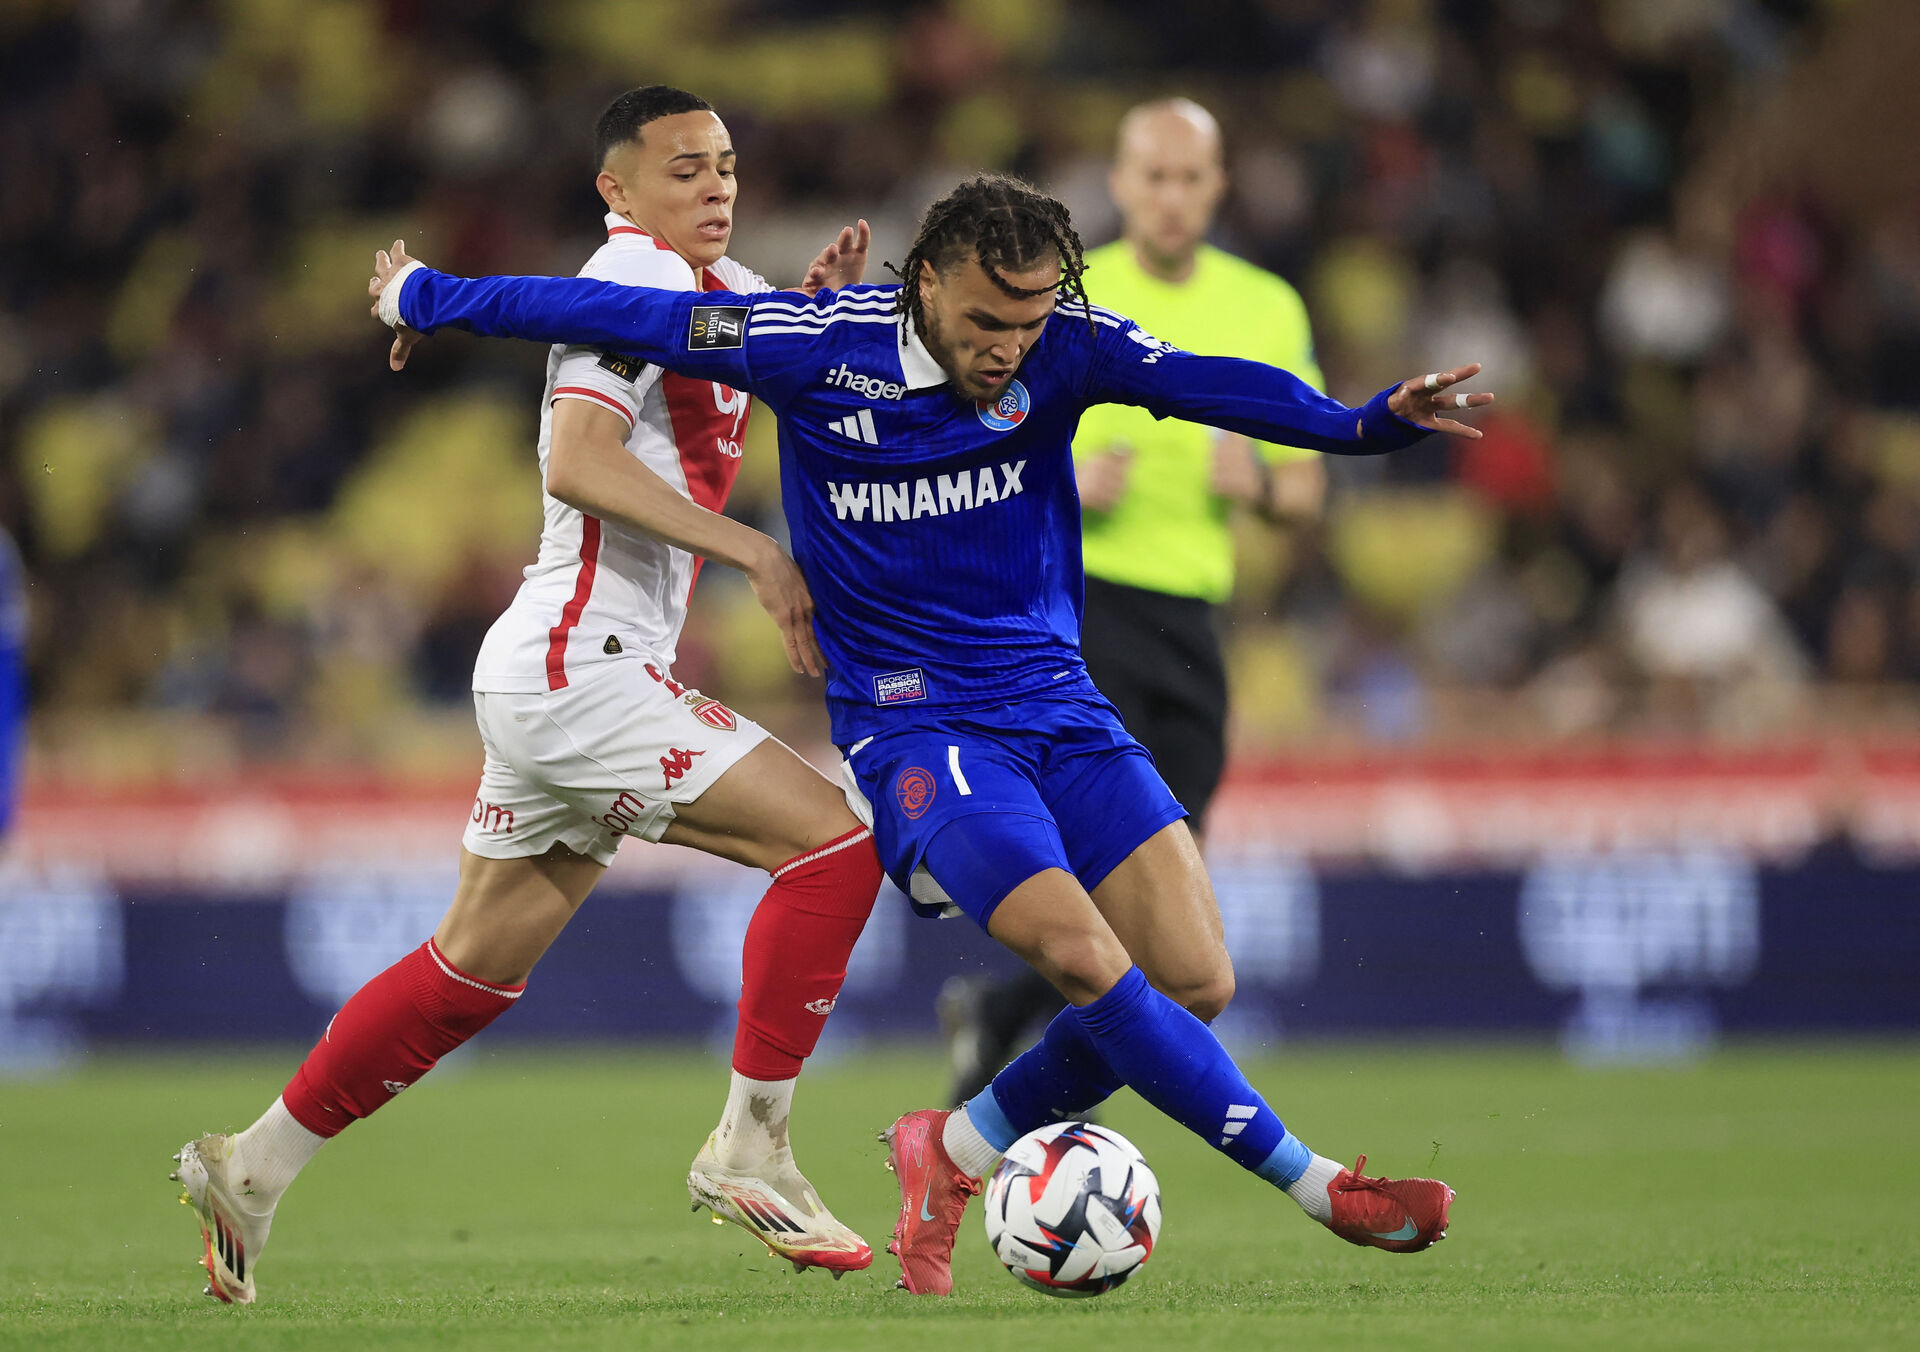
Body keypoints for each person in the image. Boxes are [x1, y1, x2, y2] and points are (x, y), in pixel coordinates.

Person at [366, 172, 1490, 1296]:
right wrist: (425, 294)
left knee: (1194, 980)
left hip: (1058, 701)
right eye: (985, 322)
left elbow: (1208, 384)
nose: (1009, 347)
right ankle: (1323, 1185)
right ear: (925, 283)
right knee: (1087, 958)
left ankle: (952, 1147)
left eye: (1032, 321)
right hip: (919, 722)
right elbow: (603, 315)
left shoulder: (1069, 346)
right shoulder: (810, 345)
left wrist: (1360, 424)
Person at [172, 87, 890, 1306]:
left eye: (724, 165)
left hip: (562, 668)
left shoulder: (718, 291)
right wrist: (753, 551)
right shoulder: (625, 278)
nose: (715, 186)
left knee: (469, 973)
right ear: (617, 190)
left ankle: (254, 1164)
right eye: (682, 169)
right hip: (580, 666)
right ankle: (750, 1145)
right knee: (834, 848)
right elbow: (577, 458)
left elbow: (738, 378)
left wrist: (806, 315)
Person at [940, 98, 1332, 1104]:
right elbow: (964, 441)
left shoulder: (1267, 307)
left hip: (1195, 622)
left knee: (1165, 892)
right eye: (1150, 176)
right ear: (1117, 185)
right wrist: (1062, 467)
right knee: (1106, 876)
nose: (1168, 196)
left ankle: (1000, 1021)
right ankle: (1019, 1091)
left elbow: (1306, 486)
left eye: (1187, 177)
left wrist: (1260, 485)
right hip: (1075, 613)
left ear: (1217, 187)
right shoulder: (1061, 294)